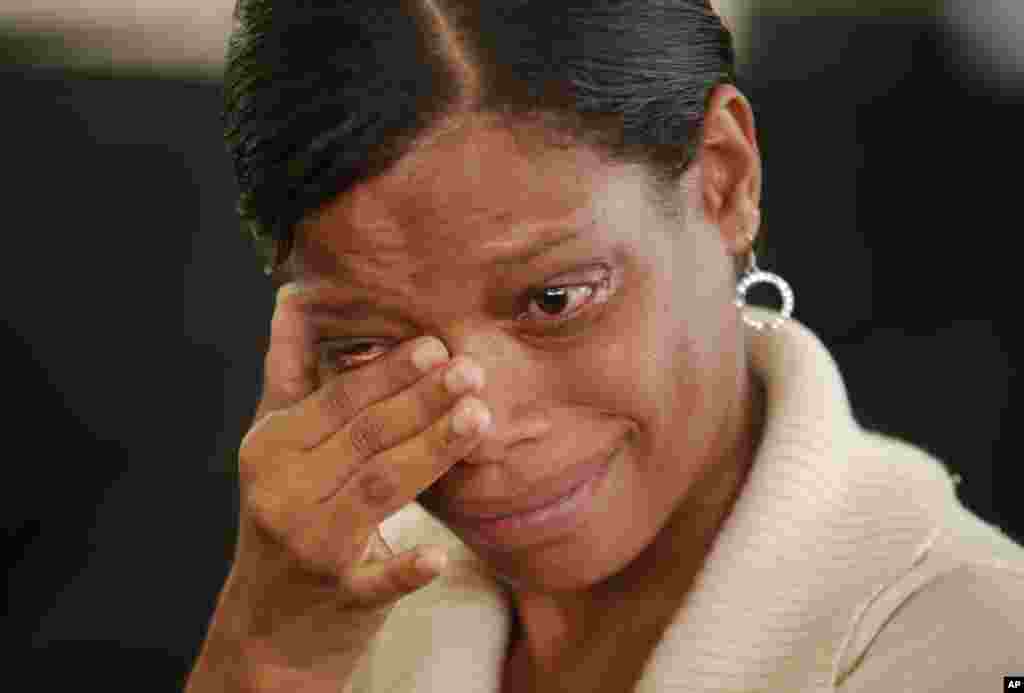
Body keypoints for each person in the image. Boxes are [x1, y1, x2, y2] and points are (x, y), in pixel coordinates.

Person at [187, 1, 1024, 691]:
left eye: (555, 300)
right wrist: (261, 658)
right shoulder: (335, 602)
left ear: (725, 180)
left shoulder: (967, 645)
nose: (477, 427)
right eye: (366, 344)